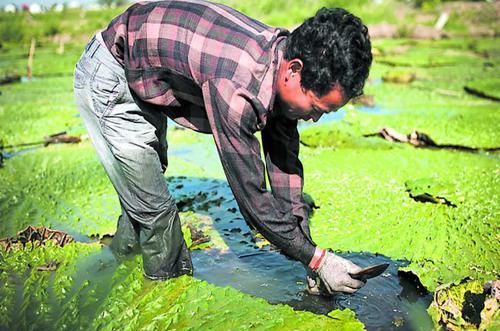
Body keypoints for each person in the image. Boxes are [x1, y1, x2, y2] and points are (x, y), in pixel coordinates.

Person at [73, 0, 372, 295]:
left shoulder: (281, 59)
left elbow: (284, 165)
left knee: (142, 191)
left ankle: (119, 261)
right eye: (316, 107)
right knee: (156, 212)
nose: (315, 119)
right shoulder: (236, 86)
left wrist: (307, 254)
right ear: (293, 71)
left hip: (146, 64)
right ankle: (162, 298)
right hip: (112, 73)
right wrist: (317, 258)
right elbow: (251, 197)